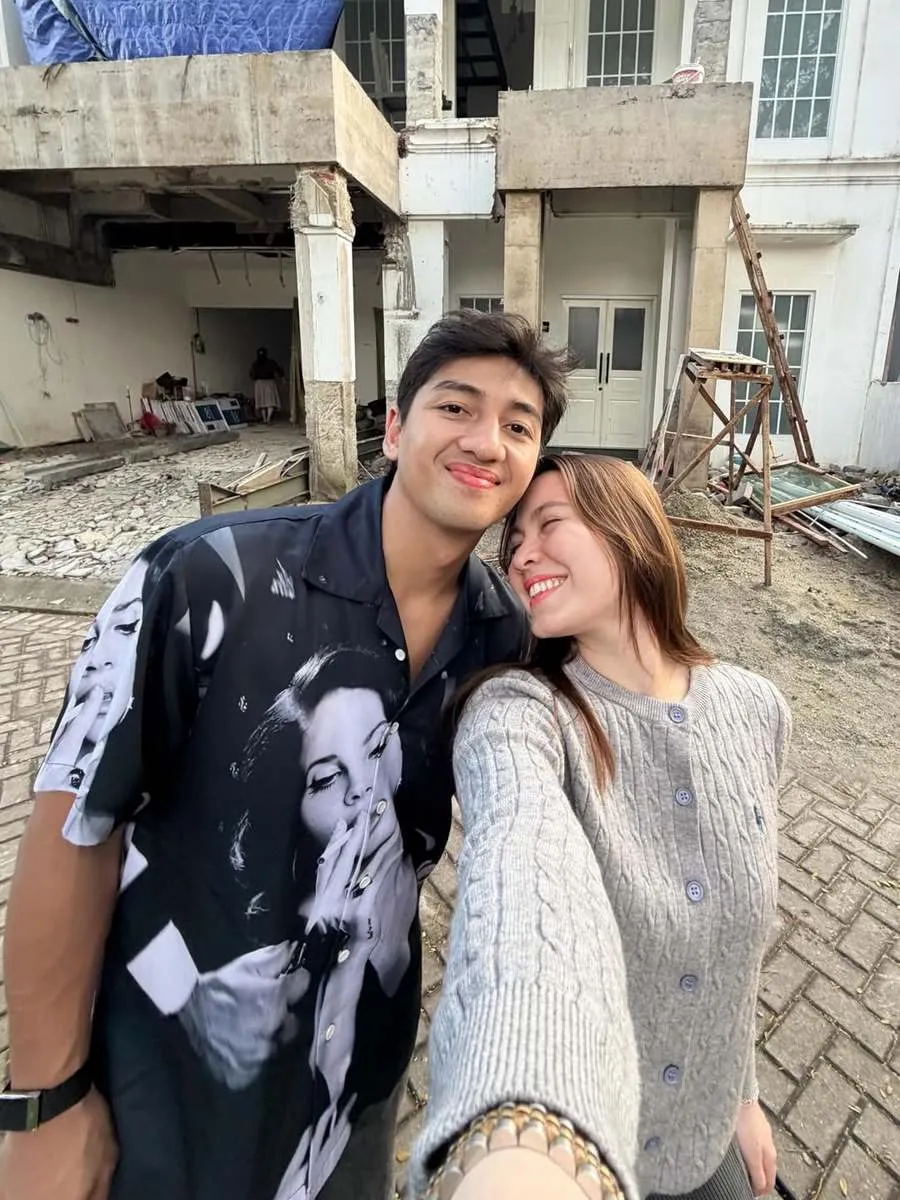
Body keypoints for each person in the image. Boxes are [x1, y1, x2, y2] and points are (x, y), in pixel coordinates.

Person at [0, 310, 572, 1200]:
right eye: (456, 407)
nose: (486, 441)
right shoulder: (205, 579)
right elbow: (78, 826)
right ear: (394, 428)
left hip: (355, 1094)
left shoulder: (502, 637)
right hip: (172, 1092)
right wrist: (45, 1103)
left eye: (518, 425)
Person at [412, 454, 790, 1200]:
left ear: (630, 531)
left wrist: (744, 1096)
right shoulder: (521, 714)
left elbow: (733, 957)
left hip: (712, 1140)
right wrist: (524, 1142)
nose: (522, 555)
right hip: (585, 1155)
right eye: (513, 542)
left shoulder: (758, 710)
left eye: (549, 524)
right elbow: (520, 869)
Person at [250, 347, 284, 424]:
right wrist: (282, 377)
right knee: (270, 402)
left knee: (262, 402)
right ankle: (268, 419)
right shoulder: (271, 362)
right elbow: (278, 371)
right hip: (269, 383)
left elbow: (251, 375)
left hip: (259, 384)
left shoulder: (255, 364)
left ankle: (265, 419)